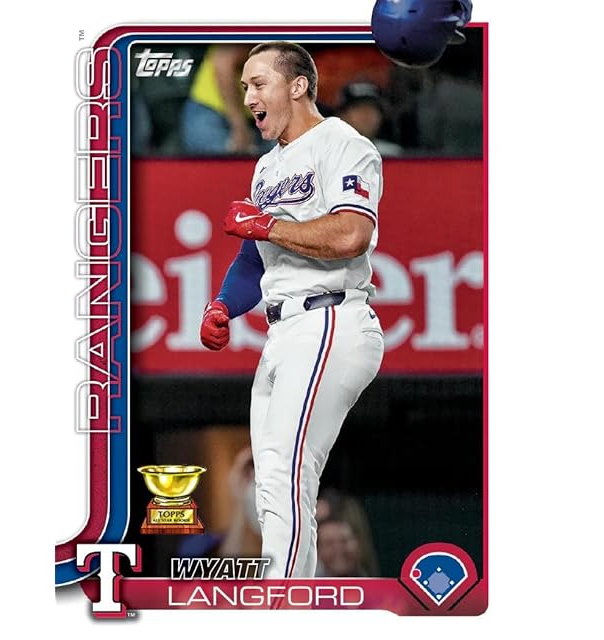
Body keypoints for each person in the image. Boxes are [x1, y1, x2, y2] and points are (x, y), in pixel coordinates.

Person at [199, 42, 385, 579]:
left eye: (259, 83)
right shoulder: (266, 166)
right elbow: (252, 255)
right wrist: (224, 304)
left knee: (286, 470)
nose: (248, 97)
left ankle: (286, 599)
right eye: (245, 87)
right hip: (284, 328)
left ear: (298, 86)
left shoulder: (342, 144)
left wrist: (267, 225)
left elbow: (351, 234)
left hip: (330, 315)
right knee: (271, 483)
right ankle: (289, 586)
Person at [336, 82, 403, 157]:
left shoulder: (394, 155)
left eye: (373, 108)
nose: (366, 114)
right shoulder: (329, 152)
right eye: (358, 108)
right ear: (342, 115)